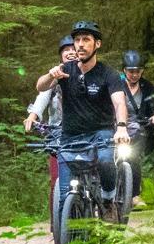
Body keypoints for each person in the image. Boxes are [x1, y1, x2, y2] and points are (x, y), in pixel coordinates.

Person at [32, 21, 131, 205]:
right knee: (63, 197)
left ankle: (108, 202)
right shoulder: (65, 70)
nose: (80, 44)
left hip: (101, 134)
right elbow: (40, 86)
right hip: (70, 137)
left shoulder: (108, 74)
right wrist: (51, 75)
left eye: (86, 39)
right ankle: (67, 227)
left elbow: (119, 103)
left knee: (106, 162)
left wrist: (122, 127)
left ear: (97, 44)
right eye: (77, 40)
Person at [24, 35, 78, 192]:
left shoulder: (88, 73)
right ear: (61, 55)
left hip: (83, 130)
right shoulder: (55, 75)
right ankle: (58, 215)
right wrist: (32, 116)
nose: (70, 52)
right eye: (66, 50)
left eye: (73, 49)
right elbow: (42, 94)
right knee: (56, 180)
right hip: (58, 132)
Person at [121, 50, 154, 204]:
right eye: (131, 71)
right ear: (124, 70)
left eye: (137, 71)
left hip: (138, 128)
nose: (134, 75)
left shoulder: (147, 86)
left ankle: (134, 195)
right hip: (117, 128)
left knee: (133, 157)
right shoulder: (116, 84)